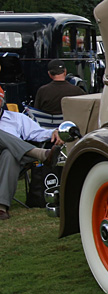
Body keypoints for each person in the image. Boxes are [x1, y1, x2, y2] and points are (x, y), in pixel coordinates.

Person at [0, 86, 60, 220]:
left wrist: (53, 132)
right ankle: (40, 154)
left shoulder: (17, 118)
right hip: (18, 158)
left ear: (2, 101)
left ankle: (1, 207)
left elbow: (37, 133)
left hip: (10, 163)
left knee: (9, 154)